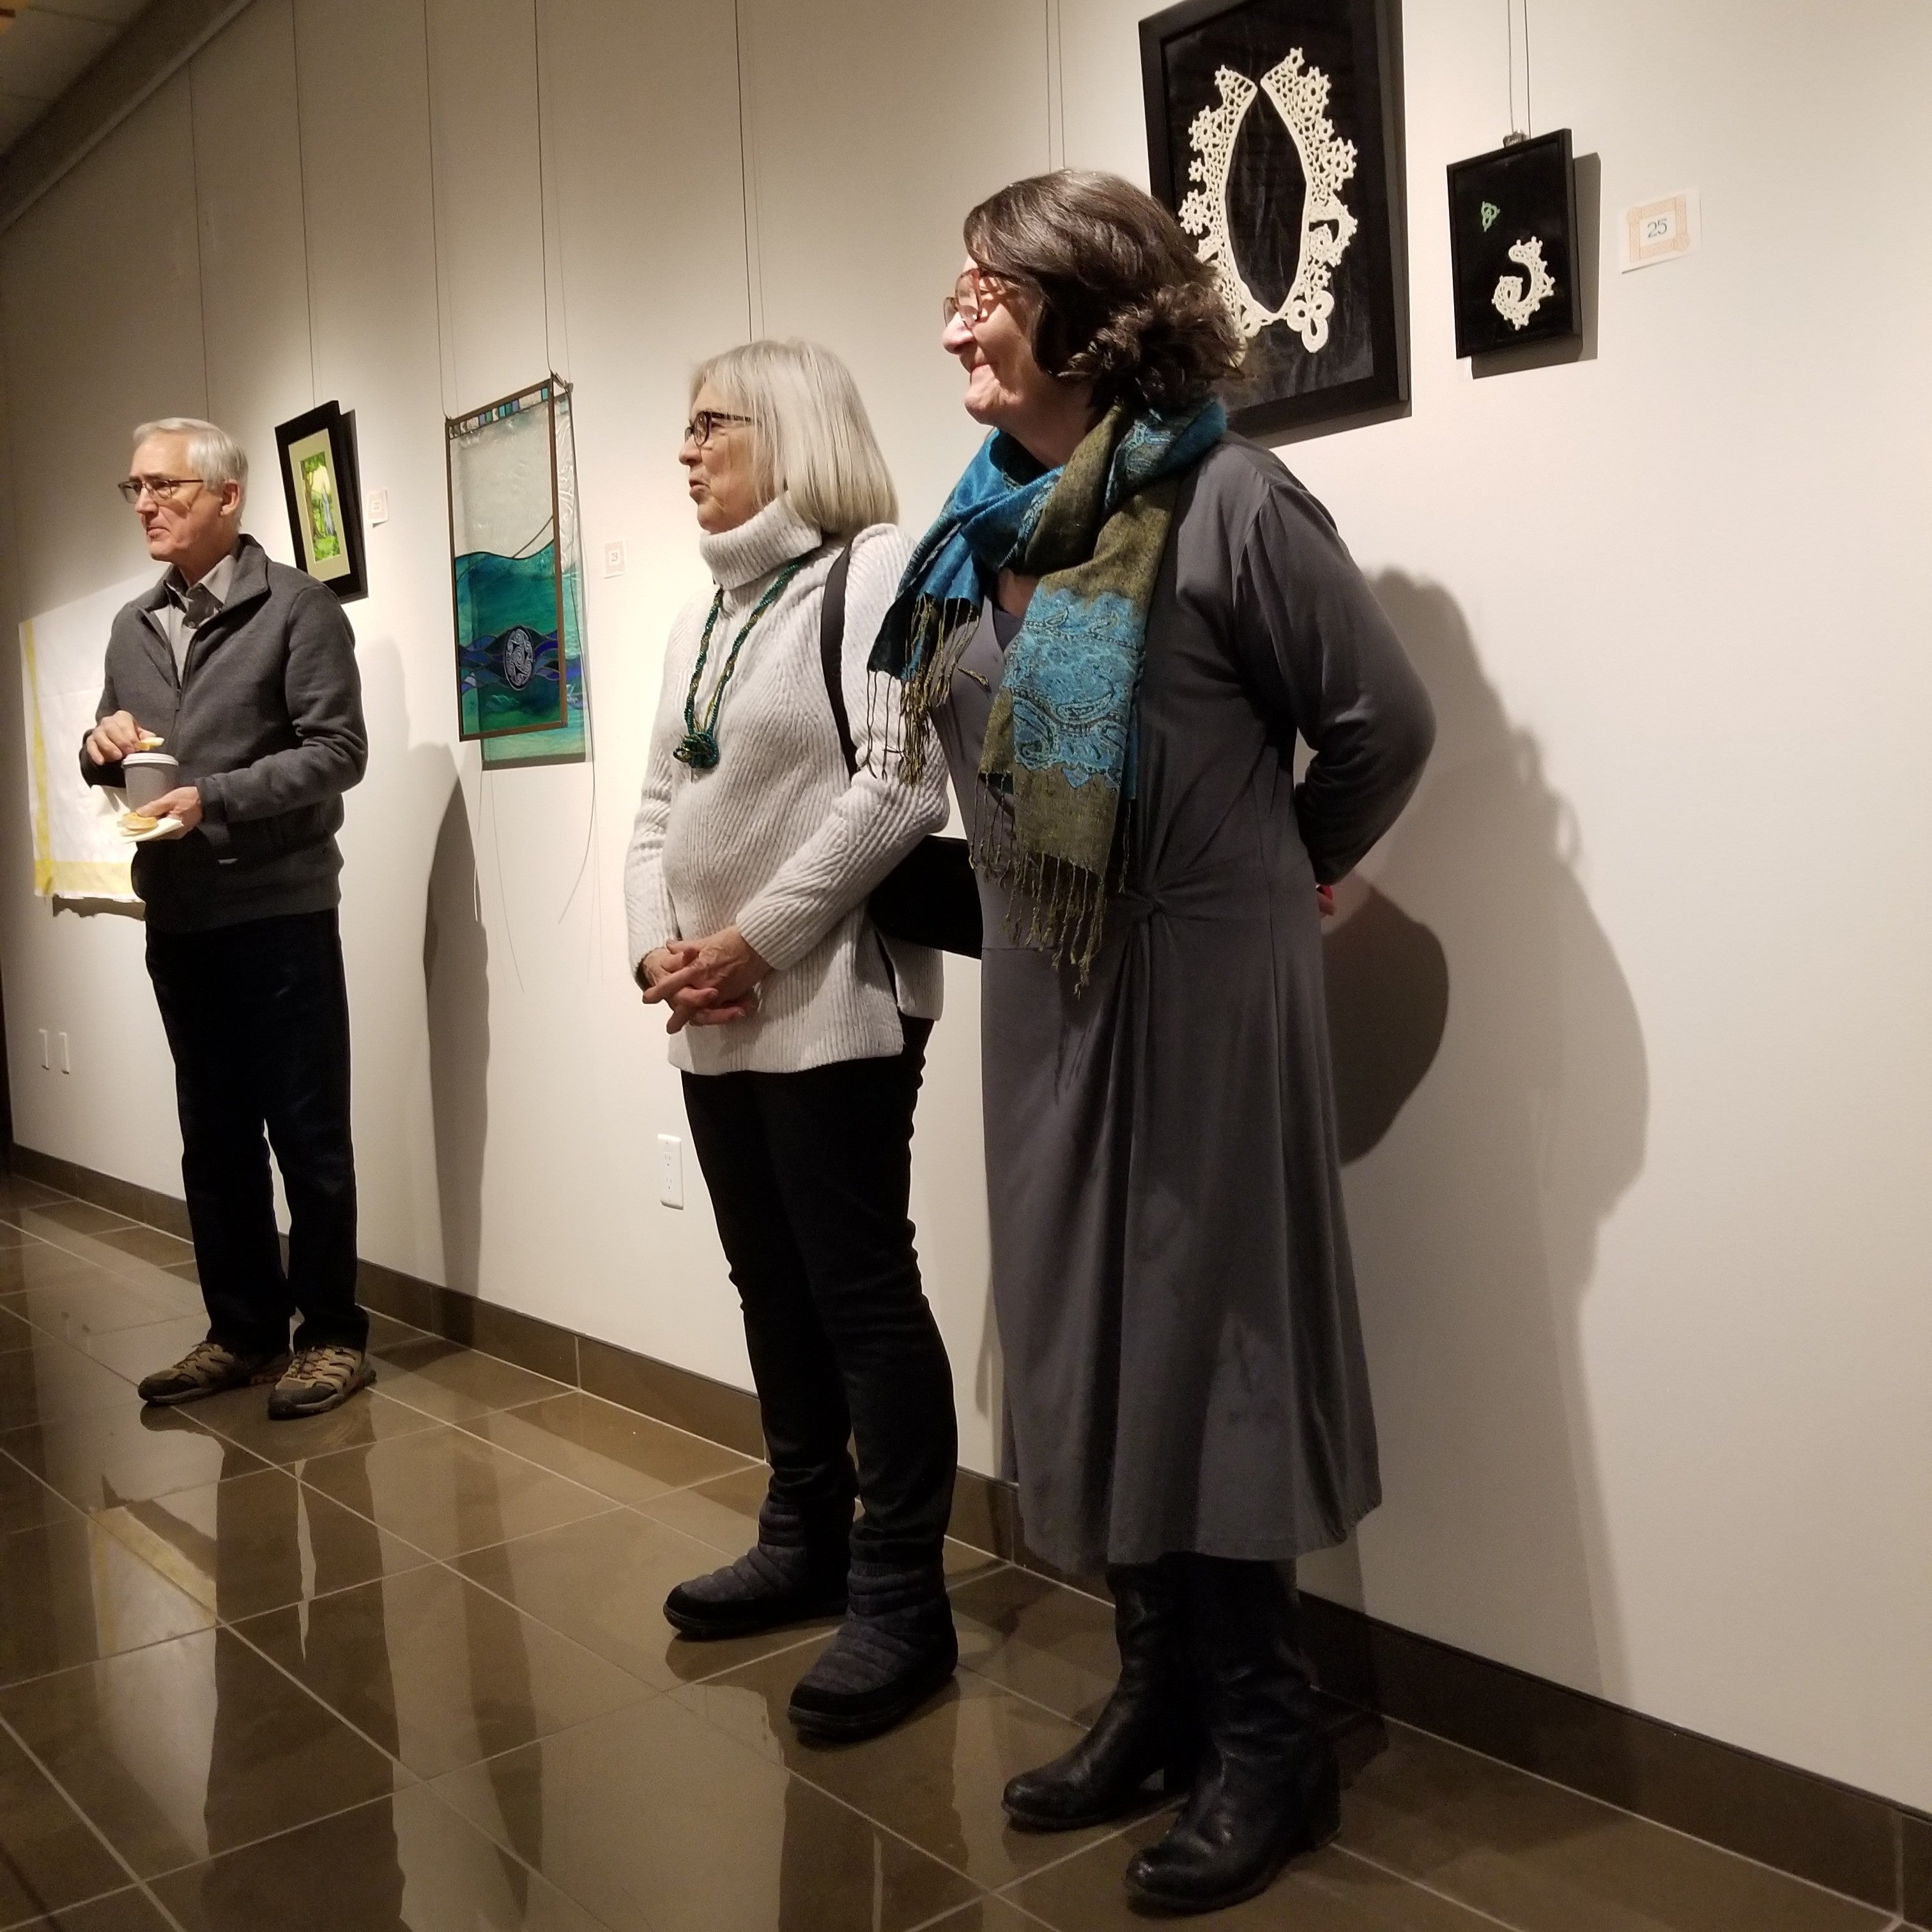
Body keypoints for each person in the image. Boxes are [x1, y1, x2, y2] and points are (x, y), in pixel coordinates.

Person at [873, 172, 1436, 1913]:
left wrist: (1293, 869)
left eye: (987, 286)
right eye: (953, 283)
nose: (953, 317)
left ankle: (1266, 1735)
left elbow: (1379, 727)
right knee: (1090, 1326)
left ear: (1090, 309)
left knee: (1214, 1326)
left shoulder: (1232, 503)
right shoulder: (979, 528)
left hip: (1199, 977)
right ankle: (1158, 1690)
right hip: (1053, 983)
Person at [624, 340, 959, 1741]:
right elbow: (655, 812)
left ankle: (902, 1595)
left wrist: (752, 942)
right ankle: (804, 1530)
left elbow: (904, 785)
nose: (687, 452)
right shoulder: (707, 614)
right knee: (770, 1282)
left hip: (832, 1002)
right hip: (715, 1013)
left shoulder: (879, 568)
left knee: (859, 1292)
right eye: (686, 428)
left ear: (793, 433)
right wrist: (659, 952)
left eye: (712, 426)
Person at [84, 417, 371, 1420]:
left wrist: (216, 796)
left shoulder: (295, 608)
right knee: (212, 1137)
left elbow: (339, 752)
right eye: (136, 490)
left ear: (227, 495)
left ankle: (332, 1335)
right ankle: (242, 1332)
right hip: (180, 912)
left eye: (165, 487)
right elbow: (114, 746)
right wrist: (98, 740)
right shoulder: (132, 624)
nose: (148, 505)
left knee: (307, 1133)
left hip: (280, 910)